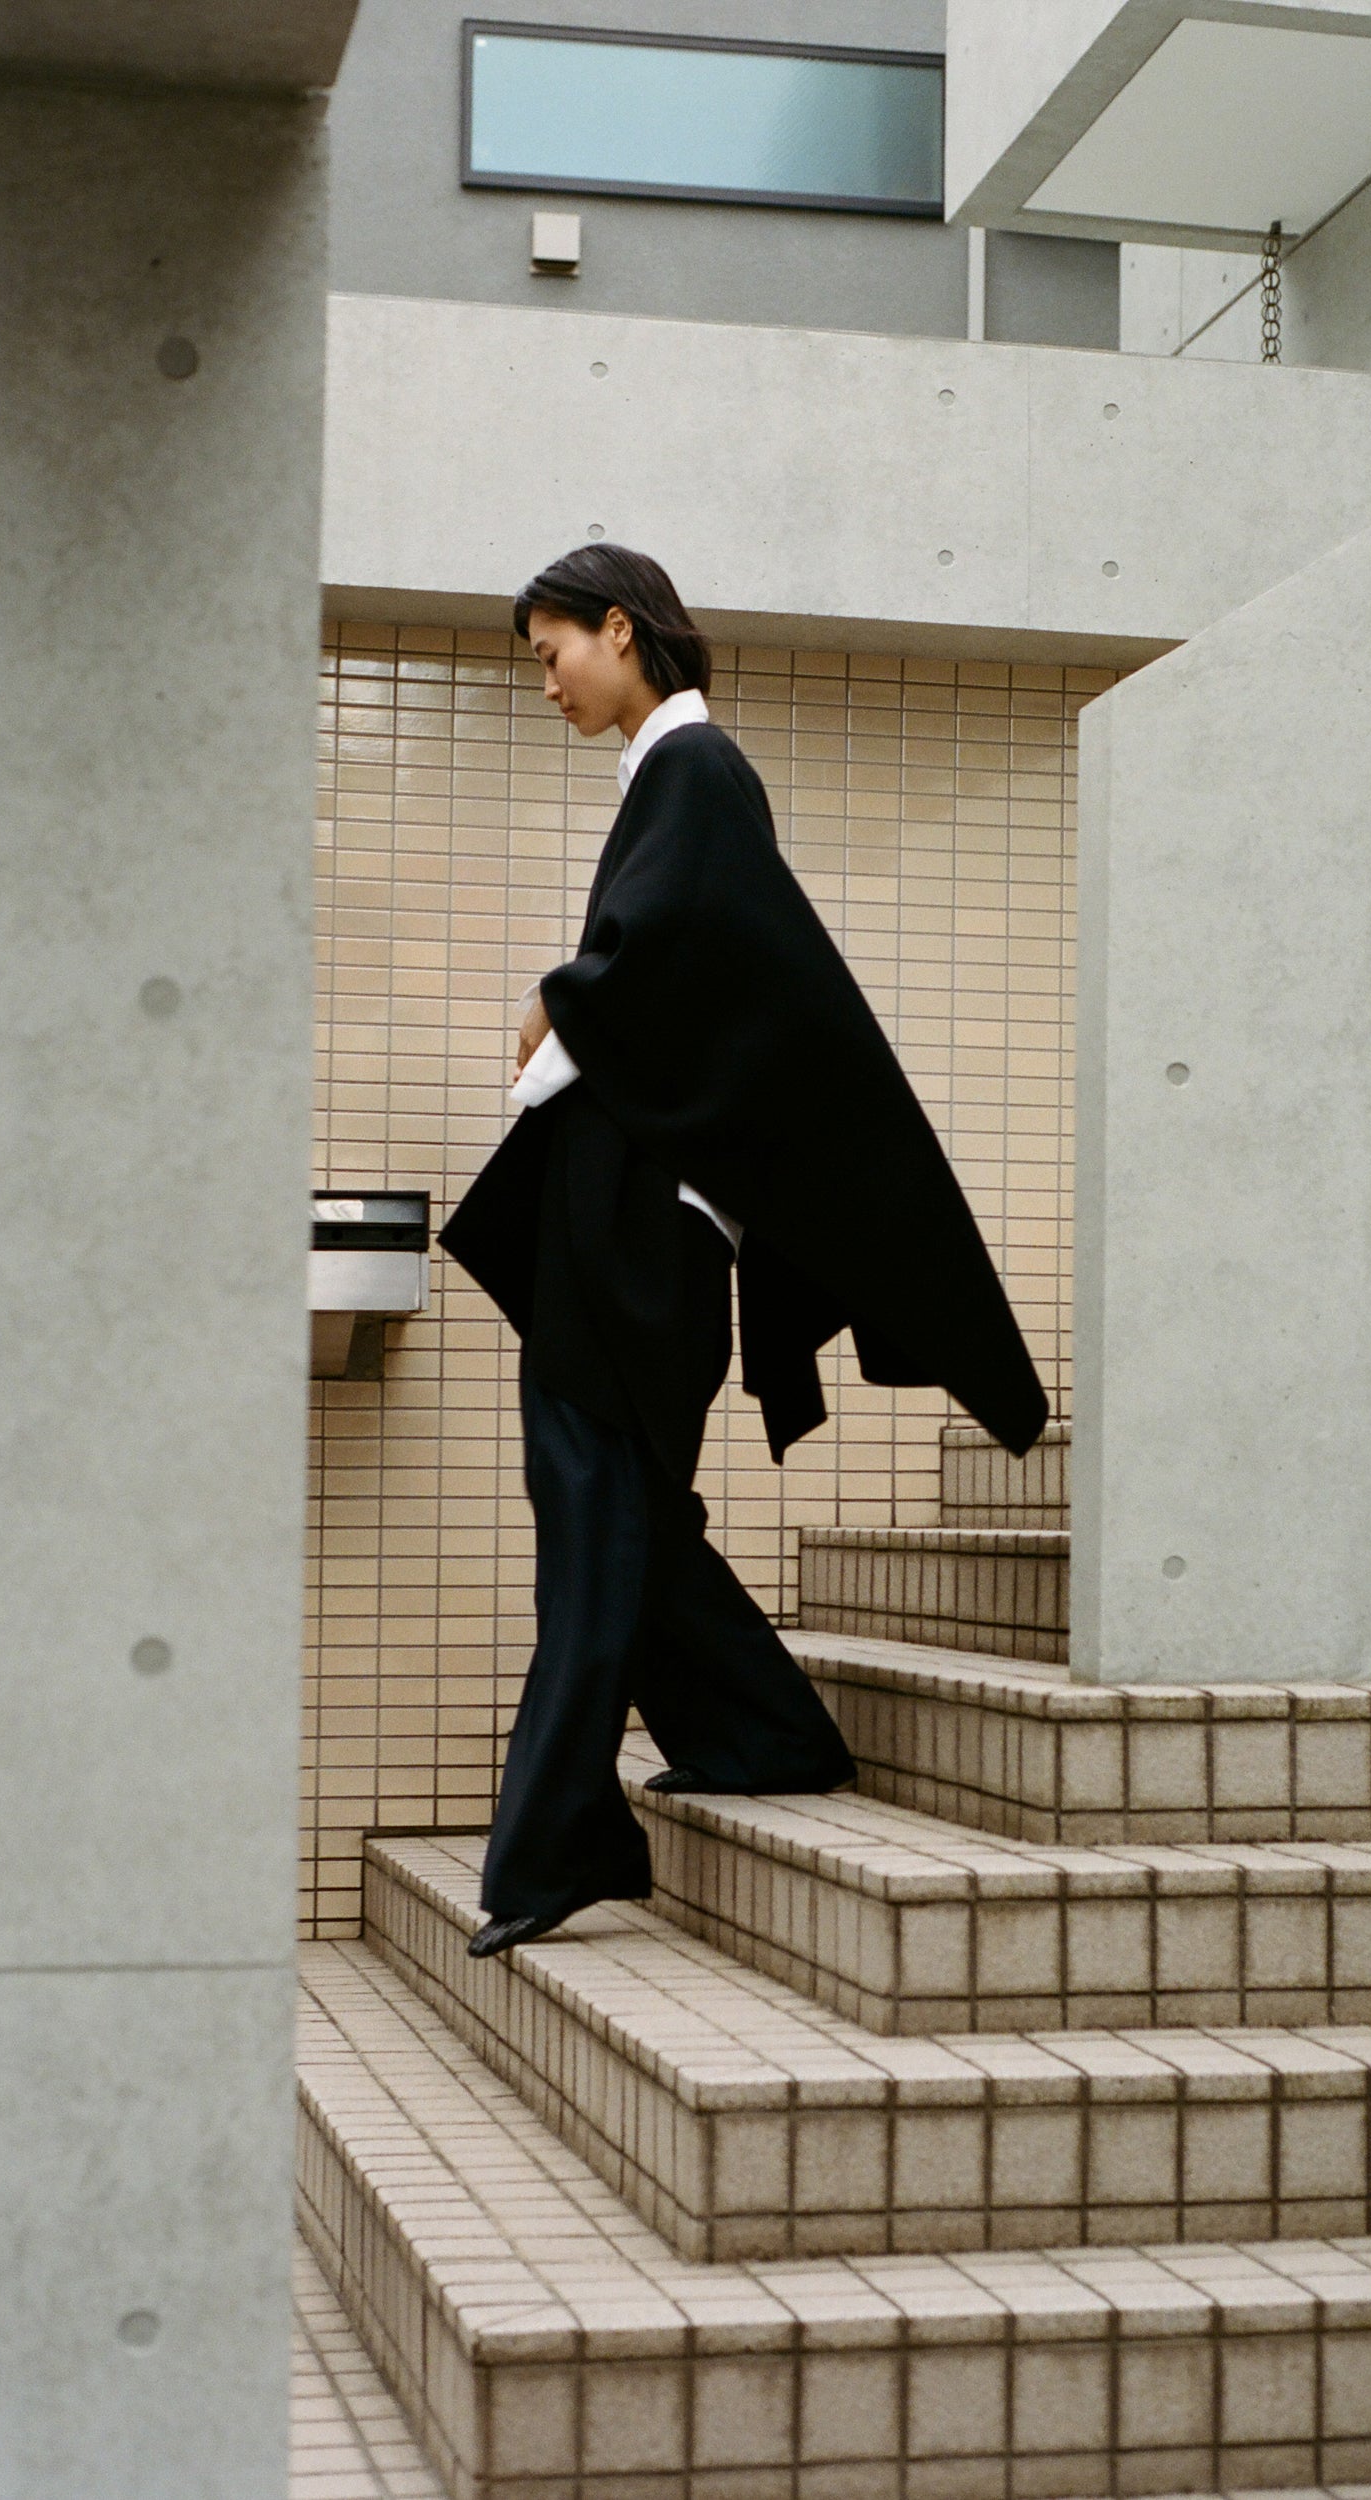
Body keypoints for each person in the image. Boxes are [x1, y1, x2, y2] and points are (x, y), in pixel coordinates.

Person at [441, 545, 1049, 1959]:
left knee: (591, 1511)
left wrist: (556, 999)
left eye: (551, 654)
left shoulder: (695, 775)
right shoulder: (673, 780)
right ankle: (765, 1733)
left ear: (618, 628)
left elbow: (673, 957)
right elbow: (698, 974)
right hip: (640, 1233)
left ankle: (552, 1845)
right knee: (626, 1509)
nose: (545, 683)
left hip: (635, 1238)